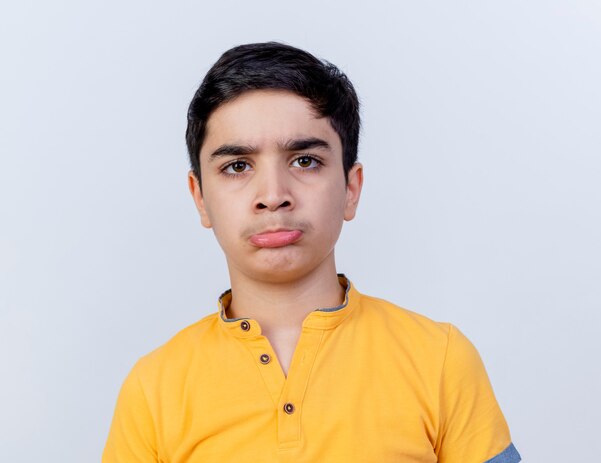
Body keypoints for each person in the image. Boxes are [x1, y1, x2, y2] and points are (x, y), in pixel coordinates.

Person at [102, 42, 521, 463]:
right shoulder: (153, 388)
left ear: (351, 189)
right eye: (237, 166)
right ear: (200, 198)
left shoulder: (439, 360)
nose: (272, 196)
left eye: (304, 160)